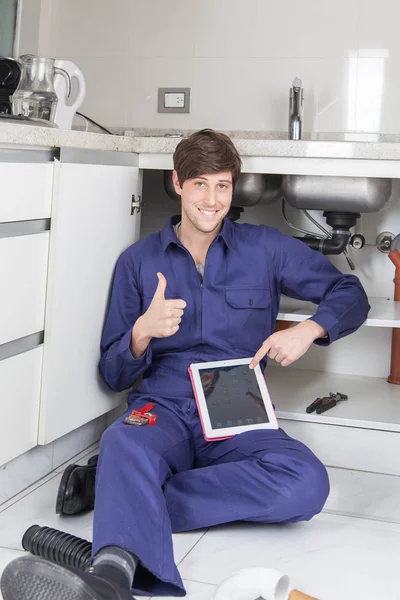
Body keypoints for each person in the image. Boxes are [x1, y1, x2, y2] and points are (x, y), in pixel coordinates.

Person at [1, 129, 370, 600]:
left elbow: (349, 291)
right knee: (123, 442)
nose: (212, 200)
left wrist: (308, 330)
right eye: (200, 184)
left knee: (305, 484)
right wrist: (142, 332)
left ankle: (121, 494)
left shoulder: (265, 248)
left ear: (233, 188)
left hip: (236, 397)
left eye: (222, 185)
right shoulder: (138, 262)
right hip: (165, 400)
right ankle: (111, 579)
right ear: (177, 183)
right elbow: (113, 374)